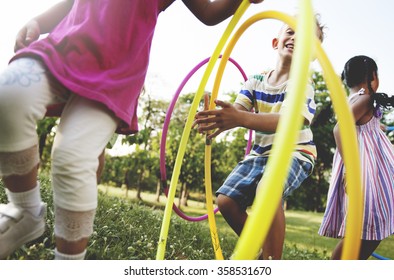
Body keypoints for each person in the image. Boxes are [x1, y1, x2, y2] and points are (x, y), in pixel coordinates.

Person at [0, 0, 264, 260]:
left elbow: (208, 11)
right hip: (65, 44)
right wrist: (39, 21)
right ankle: (25, 210)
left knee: (73, 157)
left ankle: (68, 262)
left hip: (114, 70)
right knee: (8, 95)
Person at [194, 18, 325, 259]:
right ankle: (257, 249)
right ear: (276, 42)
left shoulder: (302, 85)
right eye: (291, 31)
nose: (296, 38)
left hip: (296, 152)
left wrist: (238, 118)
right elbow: (236, 112)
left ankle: (271, 261)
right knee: (226, 201)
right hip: (261, 152)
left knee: (268, 188)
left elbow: (288, 122)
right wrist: (216, 119)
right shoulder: (255, 81)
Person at [318, 55, 394, 260]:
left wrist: (379, 126)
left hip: (367, 170)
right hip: (366, 172)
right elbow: (339, 129)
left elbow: (362, 126)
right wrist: (352, 168)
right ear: (373, 76)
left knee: (363, 230)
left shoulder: (353, 100)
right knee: (368, 229)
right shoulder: (366, 98)